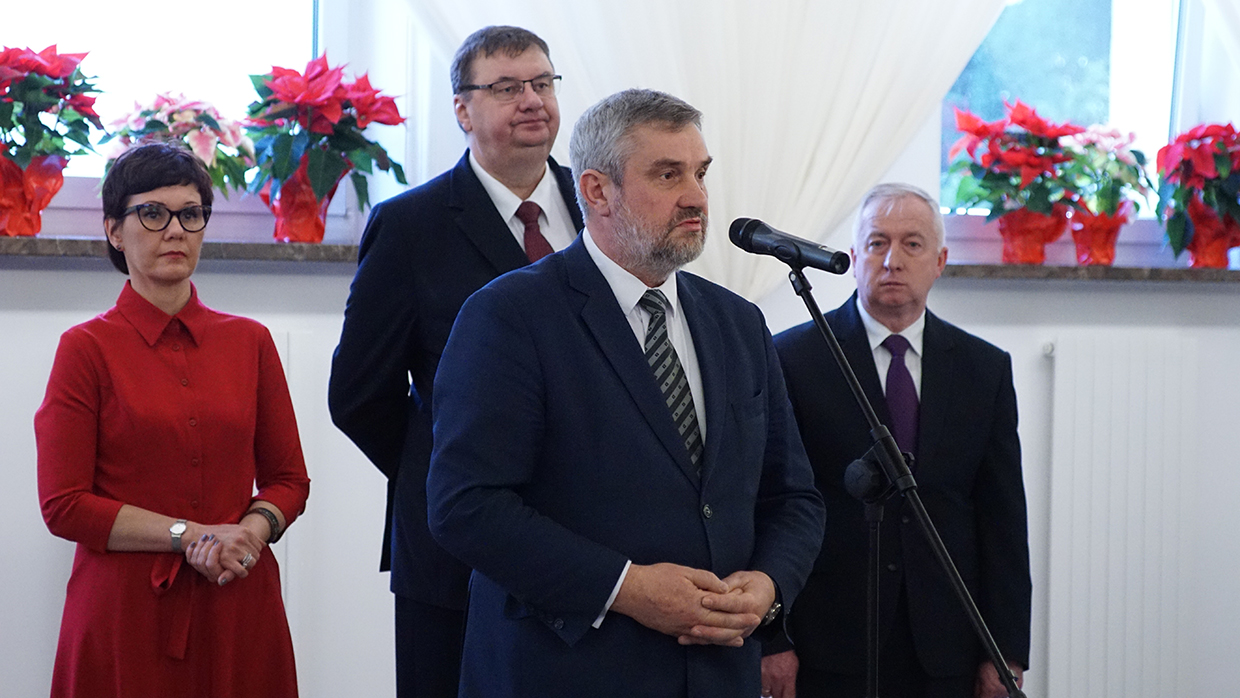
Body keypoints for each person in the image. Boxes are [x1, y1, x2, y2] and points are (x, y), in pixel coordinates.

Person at [425, 88, 826, 698]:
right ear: (596, 191)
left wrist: (768, 585)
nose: (696, 196)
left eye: (700, 173)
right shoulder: (510, 316)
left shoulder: (737, 323)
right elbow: (466, 506)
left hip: (717, 672)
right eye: (667, 175)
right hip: (568, 671)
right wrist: (627, 587)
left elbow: (793, 495)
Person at [327, 25, 584, 698]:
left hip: (597, 540)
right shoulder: (411, 226)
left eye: (542, 83)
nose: (531, 100)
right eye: (507, 87)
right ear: (463, 111)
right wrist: (450, 470)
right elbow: (359, 394)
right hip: (456, 555)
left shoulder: (601, 205)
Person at [35, 142, 311, 698]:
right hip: (125, 612)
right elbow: (64, 504)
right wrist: (189, 535)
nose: (176, 231)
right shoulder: (85, 348)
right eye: (153, 214)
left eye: (191, 214)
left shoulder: (250, 342)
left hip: (237, 596)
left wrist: (248, 535)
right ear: (114, 231)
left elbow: (289, 481)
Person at [762, 183, 1031, 698]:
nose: (892, 260)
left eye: (912, 244)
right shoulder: (793, 358)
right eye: (877, 243)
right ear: (854, 256)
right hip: (827, 640)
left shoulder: (984, 370)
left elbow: (1002, 519)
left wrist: (1005, 650)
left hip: (948, 644)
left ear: (940, 261)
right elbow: (768, 502)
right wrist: (772, 639)